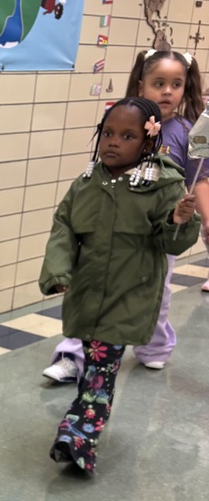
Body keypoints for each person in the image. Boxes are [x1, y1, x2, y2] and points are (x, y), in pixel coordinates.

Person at [39, 97, 199, 473]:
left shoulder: (165, 185)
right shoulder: (87, 183)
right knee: (96, 365)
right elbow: (64, 227)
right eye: (108, 133)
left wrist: (178, 220)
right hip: (89, 291)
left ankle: (77, 438)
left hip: (131, 293)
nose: (113, 142)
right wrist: (58, 273)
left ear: (148, 141)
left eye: (127, 135)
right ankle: (83, 425)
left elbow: (171, 242)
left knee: (101, 367)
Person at [42, 49, 209, 383]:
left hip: (154, 240)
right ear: (140, 83)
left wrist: (203, 219)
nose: (167, 91)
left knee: (153, 297)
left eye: (176, 84)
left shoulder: (188, 133)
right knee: (90, 295)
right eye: (158, 83)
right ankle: (73, 355)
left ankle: (154, 347)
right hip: (108, 235)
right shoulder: (124, 119)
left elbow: (199, 178)